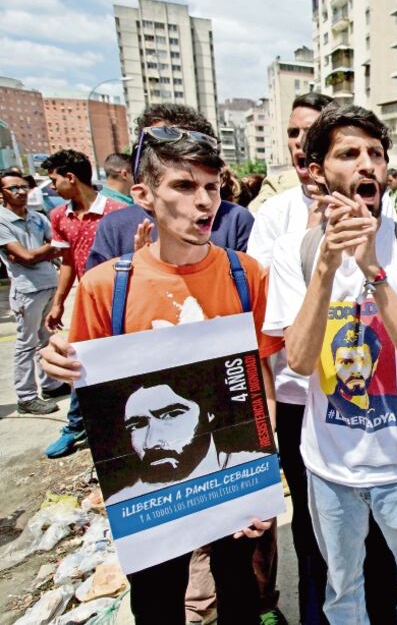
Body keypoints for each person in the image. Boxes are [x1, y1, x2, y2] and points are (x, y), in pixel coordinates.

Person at [39, 117, 278, 625]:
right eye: (184, 186)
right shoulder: (108, 286)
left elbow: (262, 381)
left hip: (229, 482)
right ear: (144, 194)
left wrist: (262, 473)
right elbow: (85, 378)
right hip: (152, 501)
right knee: (157, 601)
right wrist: (59, 360)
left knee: (240, 592)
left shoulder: (246, 274)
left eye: (212, 187)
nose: (204, 201)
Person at [264, 104, 397, 624]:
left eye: (375, 153)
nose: (366, 164)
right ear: (319, 172)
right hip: (330, 470)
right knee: (341, 593)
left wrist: (374, 269)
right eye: (349, 154)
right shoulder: (295, 254)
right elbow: (299, 362)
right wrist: (326, 269)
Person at [246, 90, 333, 625]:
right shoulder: (274, 218)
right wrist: (310, 238)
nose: (302, 146)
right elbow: (267, 316)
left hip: (355, 394)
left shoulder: (374, 211)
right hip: (297, 398)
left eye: (314, 134)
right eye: (294, 134)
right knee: (308, 523)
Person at [86, 105, 255, 270]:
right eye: (183, 186)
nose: (203, 201)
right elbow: (101, 291)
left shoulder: (236, 221)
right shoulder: (114, 226)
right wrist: (140, 271)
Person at [39, 149, 128, 458]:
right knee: (80, 363)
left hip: (121, 300)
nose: (52, 187)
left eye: (54, 180)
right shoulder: (59, 216)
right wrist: (58, 303)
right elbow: (65, 263)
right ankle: (75, 426)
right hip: (86, 302)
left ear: (71, 177)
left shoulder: (117, 212)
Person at [106, 382, 270, 504]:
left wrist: (261, 509)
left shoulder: (256, 469)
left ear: (208, 413)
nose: (151, 441)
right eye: (137, 426)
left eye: (170, 415)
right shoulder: (124, 502)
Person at [0, 169, 65, 415]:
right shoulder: (2, 220)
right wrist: (49, 250)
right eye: (13, 188)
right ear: (2, 193)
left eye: (23, 187)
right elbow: (24, 257)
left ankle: (50, 385)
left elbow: (58, 246)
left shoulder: (38, 218)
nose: (20, 192)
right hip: (27, 290)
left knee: (47, 339)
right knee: (26, 344)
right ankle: (26, 396)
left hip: (49, 284)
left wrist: (47, 251)